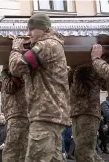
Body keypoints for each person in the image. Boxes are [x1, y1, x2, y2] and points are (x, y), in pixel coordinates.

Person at [9, 13, 70, 162]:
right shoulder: (51, 45)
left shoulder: (46, 45)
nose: (27, 34)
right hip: (51, 114)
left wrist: (16, 49)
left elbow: (16, 68)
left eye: (31, 29)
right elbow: (31, 64)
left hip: (45, 115)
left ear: (43, 29)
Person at [0, 61, 29, 162]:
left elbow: (10, 87)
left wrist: (4, 72)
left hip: (20, 114)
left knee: (12, 150)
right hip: (11, 116)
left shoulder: (20, 73)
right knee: (17, 149)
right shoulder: (6, 77)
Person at [69, 63, 105, 162]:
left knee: (84, 153)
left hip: (89, 112)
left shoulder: (95, 67)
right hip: (76, 112)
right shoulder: (73, 70)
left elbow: (105, 85)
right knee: (87, 152)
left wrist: (96, 61)